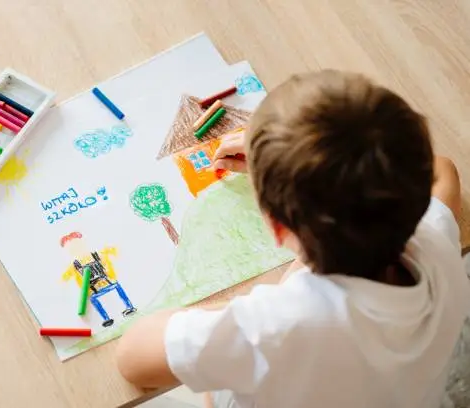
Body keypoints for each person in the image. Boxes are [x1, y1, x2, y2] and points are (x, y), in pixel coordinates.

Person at [115, 70, 470, 408]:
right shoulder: (433, 240)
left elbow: (132, 357)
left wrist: (244, 308)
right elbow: (444, 171)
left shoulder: (271, 328)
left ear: (277, 229)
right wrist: (293, 170)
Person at [61, 232, 136, 327]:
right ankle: (111, 316)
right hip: (99, 287)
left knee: (112, 287)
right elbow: (66, 277)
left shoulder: (93, 256)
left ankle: (120, 311)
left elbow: (108, 259)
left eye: (78, 245)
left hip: (103, 284)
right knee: (96, 295)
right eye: (73, 248)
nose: (77, 249)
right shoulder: (78, 263)